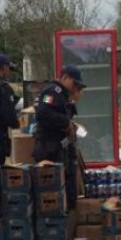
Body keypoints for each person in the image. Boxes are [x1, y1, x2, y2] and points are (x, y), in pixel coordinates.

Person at [34, 65, 85, 209]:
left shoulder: (63, 95)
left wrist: (71, 124)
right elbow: (43, 114)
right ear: (64, 78)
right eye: (75, 84)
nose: (75, 88)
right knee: (52, 195)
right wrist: (65, 122)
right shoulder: (52, 91)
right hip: (50, 149)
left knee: (67, 195)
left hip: (61, 148)